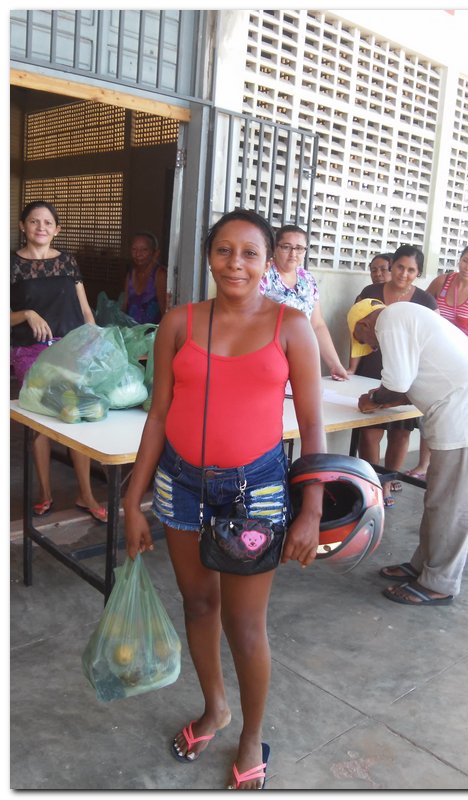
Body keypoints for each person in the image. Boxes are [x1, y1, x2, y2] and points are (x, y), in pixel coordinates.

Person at [122, 209, 326, 789]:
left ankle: (249, 732)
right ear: (210, 256)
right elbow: (157, 415)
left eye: (250, 253)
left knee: (245, 624)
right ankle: (215, 707)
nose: (235, 263)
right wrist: (135, 501)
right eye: (224, 251)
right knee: (198, 606)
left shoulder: (292, 326)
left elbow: (312, 426)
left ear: (268, 264)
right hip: (180, 486)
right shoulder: (180, 322)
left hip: (255, 493)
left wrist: (310, 508)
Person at [347, 297, 468, 606]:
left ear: (365, 324)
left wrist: (374, 398)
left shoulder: (389, 319)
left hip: (466, 417)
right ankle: (423, 567)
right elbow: (413, 383)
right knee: (438, 501)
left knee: (451, 505)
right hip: (459, 410)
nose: (372, 348)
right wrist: (384, 397)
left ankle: (440, 584)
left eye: (365, 342)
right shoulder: (405, 317)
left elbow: (398, 382)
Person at [10, 200, 107, 522]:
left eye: (48, 222)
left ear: (57, 229)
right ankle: (46, 493)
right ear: (22, 226)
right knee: (43, 419)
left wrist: (97, 339)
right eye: (34, 221)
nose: (41, 227)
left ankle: (86, 494)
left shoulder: (67, 262)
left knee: (75, 414)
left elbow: (85, 309)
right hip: (31, 352)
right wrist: (26, 313)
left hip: (71, 348)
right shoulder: (11, 265)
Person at [347, 245, 438, 507]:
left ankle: (386, 485)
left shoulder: (425, 302)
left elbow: (429, 343)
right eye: (399, 267)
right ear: (392, 266)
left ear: (418, 273)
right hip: (371, 371)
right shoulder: (370, 293)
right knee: (369, 433)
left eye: (411, 270)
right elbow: (356, 331)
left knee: (400, 433)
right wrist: (352, 368)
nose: (403, 274)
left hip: (407, 378)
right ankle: (370, 486)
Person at [405, 243, 468, 481]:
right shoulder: (443, 282)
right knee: (429, 408)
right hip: (432, 357)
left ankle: (445, 467)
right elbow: (421, 306)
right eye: (466, 260)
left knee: (453, 415)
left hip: (463, 364)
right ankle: (424, 463)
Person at [259, 224, 349, 380]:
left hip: (301, 356)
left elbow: (317, 325)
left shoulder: (307, 279)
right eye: (286, 247)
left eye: (299, 248)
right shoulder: (263, 276)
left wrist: (335, 364)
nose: (293, 253)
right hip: (269, 356)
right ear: (275, 247)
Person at [121, 231, 168, 324]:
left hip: (153, 335)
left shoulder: (160, 275)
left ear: (155, 253)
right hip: (133, 334)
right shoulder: (130, 275)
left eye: (144, 250)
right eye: (134, 249)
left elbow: (165, 311)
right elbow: (124, 308)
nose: (138, 254)